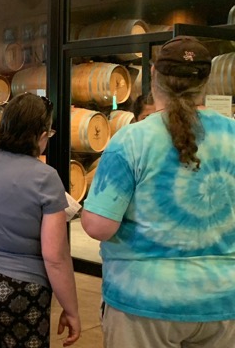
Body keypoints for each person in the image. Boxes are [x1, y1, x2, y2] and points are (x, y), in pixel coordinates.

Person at [82, 36, 235, 348]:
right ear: (205, 81)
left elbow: (99, 226)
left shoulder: (131, 140)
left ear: (153, 74)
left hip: (143, 303)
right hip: (223, 300)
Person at [0, 93, 80, 347]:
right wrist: (72, 309)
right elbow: (55, 256)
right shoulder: (45, 177)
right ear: (41, 135)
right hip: (17, 289)